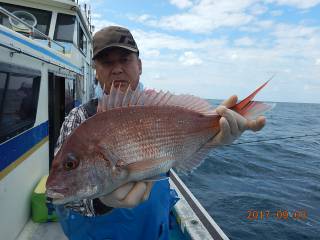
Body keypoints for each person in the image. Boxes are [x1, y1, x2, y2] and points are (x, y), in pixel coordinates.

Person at [54, 26, 266, 240]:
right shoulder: (78, 119)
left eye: (125, 59)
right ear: (96, 71)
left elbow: (179, 151)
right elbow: (64, 195)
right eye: (107, 62)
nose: (117, 69)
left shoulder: (161, 109)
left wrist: (214, 136)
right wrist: (101, 200)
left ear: (140, 66)